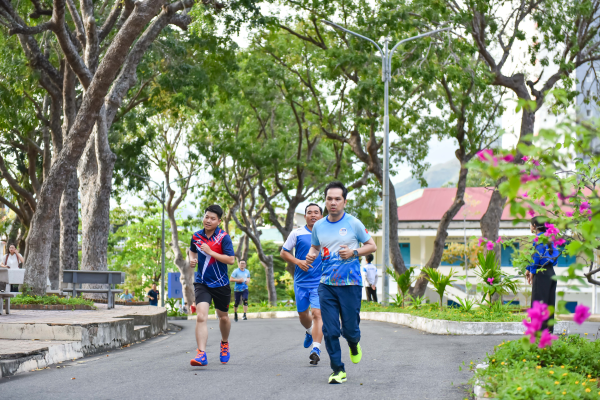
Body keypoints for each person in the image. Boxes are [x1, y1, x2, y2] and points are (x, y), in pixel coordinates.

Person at [306, 181, 377, 384]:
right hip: (326, 284)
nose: (333, 202)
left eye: (337, 199)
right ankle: (338, 370)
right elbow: (315, 248)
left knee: (350, 330)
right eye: (329, 198)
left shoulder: (353, 223)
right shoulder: (318, 225)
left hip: (350, 284)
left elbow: (372, 246)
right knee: (330, 330)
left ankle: (354, 343)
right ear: (326, 201)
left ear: (344, 202)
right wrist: (310, 256)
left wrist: (354, 252)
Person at [189, 204, 235, 367]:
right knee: (201, 316)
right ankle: (201, 353)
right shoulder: (196, 236)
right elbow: (192, 250)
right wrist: (192, 259)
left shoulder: (223, 237)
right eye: (206, 217)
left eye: (212, 218)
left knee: (223, 317)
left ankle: (224, 343)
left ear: (219, 221)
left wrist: (211, 252)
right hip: (202, 282)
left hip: (221, 283)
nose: (208, 220)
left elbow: (231, 259)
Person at [280, 203, 324, 365]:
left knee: (318, 314)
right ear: (305, 216)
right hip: (301, 282)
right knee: (303, 315)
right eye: (309, 212)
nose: (313, 215)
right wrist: (298, 262)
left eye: (316, 212)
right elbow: (284, 252)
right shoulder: (297, 233)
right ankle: (308, 331)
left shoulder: (326, 234)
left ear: (321, 215)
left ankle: (316, 348)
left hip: (319, 283)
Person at [525, 216, 560, 332]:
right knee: (549, 305)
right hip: (551, 273)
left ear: (534, 226)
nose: (530, 226)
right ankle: (548, 333)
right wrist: (528, 269)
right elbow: (555, 258)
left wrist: (532, 272)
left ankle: (538, 335)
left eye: (530, 224)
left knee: (538, 304)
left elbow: (536, 258)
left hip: (541, 274)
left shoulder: (538, 240)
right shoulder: (551, 240)